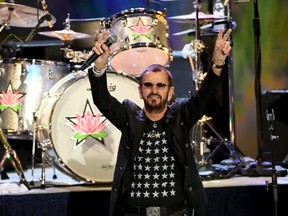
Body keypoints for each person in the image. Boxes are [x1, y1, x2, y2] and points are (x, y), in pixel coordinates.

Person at [88, 28, 232, 216]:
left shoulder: (181, 115)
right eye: (148, 85)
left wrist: (218, 64)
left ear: (170, 92)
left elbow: (204, 97)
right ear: (140, 91)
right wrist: (99, 68)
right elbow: (103, 100)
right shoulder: (128, 118)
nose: (154, 90)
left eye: (160, 85)